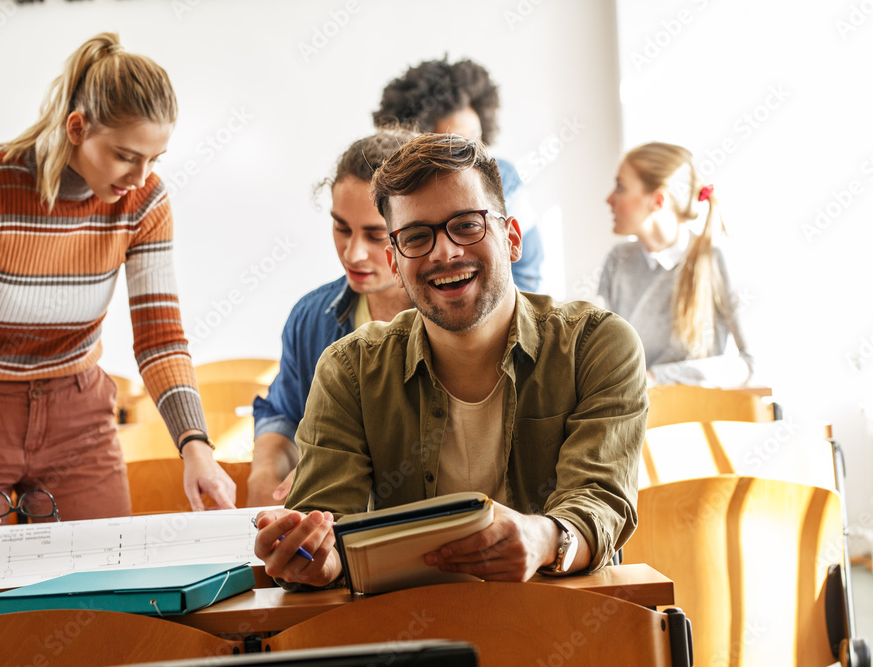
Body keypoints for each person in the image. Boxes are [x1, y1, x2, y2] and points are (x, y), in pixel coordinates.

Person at [253, 134, 647, 588]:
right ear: (396, 263)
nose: (445, 252)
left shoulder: (597, 346)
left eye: (466, 225)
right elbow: (323, 521)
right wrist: (315, 561)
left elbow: (600, 501)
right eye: (417, 236)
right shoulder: (349, 369)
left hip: (566, 623)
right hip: (410, 638)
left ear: (512, 238)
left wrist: (544, 539)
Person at [0, 33, 235, 527]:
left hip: (78, 416)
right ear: (77, 127)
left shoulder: (145, 200)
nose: (141, 175)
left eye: (155, 159)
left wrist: (196, 446)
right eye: (126, 155)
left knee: (97, 589)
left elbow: (160, 338)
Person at [247, 128, 416, 507]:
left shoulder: (453, 317)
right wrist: (265, 472)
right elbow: (285, 415)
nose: (352, 253)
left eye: (375, 235)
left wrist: (328, 467)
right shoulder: (311, 318)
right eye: (341, 228)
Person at [373, 57, 545, 292]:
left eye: (476, 139)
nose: (471, 156)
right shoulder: (393, 196)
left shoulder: (506, 181)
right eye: (454, 148)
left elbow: (528, 274)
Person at [599, 142, 754, 388]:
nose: (609, 199)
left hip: (690, 420)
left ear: (657, 200)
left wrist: (654, 379)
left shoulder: (714, 259)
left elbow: (749, 365)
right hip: (631, 418)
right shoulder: (618, 260)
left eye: (620, 187)